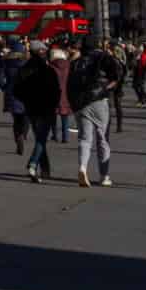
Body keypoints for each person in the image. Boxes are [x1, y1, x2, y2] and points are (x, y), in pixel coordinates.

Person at [68, 37, 121, 188]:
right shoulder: (103, 57)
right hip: (99, 100)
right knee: (102, 139)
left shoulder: (76, 63)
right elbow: (117, 74)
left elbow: (69, 86)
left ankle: (82, 167)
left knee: (85, 139)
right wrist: (107, 88)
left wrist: (74, 106)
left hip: (82, 103)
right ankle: (104, 176)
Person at [14, 42, 61, 182]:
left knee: (40, 138)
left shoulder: (23, 70)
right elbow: (56, 90)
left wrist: (26, 100)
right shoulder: (48, 70)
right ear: (41, 52)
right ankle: (33, 164)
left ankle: (45, 170)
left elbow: (16, 90)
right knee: (41, 139)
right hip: (46, 108)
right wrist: (54, 104)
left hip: (31, 108)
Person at [49, 46, 74, 143]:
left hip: (53, 93)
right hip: (66, 93)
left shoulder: (51, 66)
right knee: (65, 116)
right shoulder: (69, 65)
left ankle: (55, 134)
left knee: (52, 116)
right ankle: (65, 136)